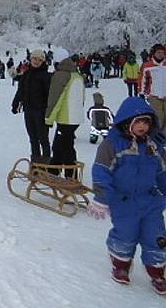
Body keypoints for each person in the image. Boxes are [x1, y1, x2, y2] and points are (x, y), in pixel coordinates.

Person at [88, 96, 166, 295]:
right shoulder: (112, 144)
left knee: (156, 236)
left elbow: (162, 172)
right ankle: (121, 265)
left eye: (146, 122)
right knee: (125, 234)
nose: (142, 127)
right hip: (123, 201)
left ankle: (157, 272)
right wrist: (102, 196)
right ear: (126, 121)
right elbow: (101, 170)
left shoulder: (154, 146)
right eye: (138, 122)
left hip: (151, 200)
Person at [44, 49, 85, 176]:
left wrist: (49, 118)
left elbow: (56, 98)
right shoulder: (77, 75)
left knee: (66, 147)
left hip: (66, 118)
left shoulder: (61, 75)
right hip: (76, 117)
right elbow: (82, 97)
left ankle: (71, 176)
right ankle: (54, 170)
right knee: (59, 144)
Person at [11, 49, 52, 163]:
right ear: (31, 59)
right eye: (34, 59)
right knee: (33, 138)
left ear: (43, 61)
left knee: (43, 138)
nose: (36, 61)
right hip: (28, 110)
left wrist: (49, 112)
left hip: (41, 111)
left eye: (39, 60)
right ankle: (35, 163)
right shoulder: (27, 74)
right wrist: (15, 103)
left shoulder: (45, 76)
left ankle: (46, 164)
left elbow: (49, 95)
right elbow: (20, 91)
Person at [140, 43, 166, 134]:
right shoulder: (148, 66)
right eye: (158, 52)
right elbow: (143, 79)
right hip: (154, 95)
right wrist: (142, 93)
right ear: (154, 53)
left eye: (162, 52)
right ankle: (158, 135)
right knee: (159, 117)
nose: (161, 54)